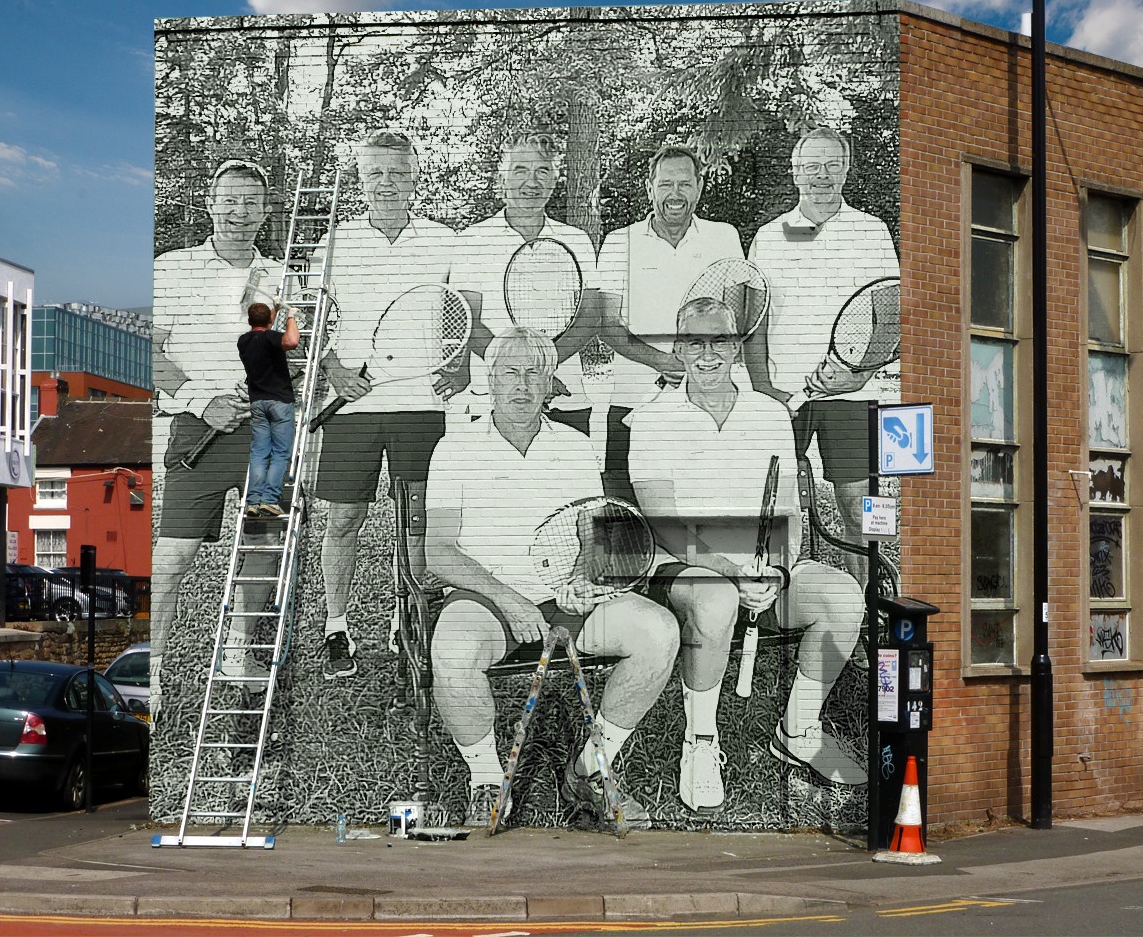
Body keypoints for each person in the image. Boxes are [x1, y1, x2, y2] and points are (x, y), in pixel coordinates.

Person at [426, 328, 679, 829]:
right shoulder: (455, 447)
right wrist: (509, 599)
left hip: (566, 596)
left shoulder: (575, 444)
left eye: (533, 374)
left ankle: (589, 768)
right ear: (490, 381)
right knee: (452, 653)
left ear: (550, 384)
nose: (521, 386)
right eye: (510, 374)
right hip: (488, 601)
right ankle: (485, 781)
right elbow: (438, 550)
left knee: (659, 632)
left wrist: (585, 580)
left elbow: (593, 532)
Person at [628, 298, 870, 814]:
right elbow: (665, 524)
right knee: (715, 603)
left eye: (720, 340)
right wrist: (731, 572)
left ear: (737, 347)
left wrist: (778, 570)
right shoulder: (650, 419)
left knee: (843, 598)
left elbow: (789, 512)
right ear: (679, 348)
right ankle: (700, 742)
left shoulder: (769, 414)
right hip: (685, 567)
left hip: (762, 568)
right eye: (695, 341)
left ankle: (799, 728)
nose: (708, 353)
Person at [315, 130, 462, 680]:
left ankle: (409, 619)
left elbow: (457, 314)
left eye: (397, 172)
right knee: (345, 518)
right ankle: (336, 626)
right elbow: (306, 322)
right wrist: (333, 370)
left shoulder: (445, 241)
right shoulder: (333, 244)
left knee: (417, 519)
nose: (386, 182)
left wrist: (454, 364)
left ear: (415, 176)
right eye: (375, 172)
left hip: (421, 404)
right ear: (360, 178)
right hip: (353, 405)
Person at [151, 158, 282, 707]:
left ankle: (236, 649)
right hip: (195, 430)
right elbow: (146, 351)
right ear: (210, 203)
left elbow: (287, 361)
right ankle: (149, 670)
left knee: (262, 542)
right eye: (229, 199)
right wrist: (201, 401)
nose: (239, 210)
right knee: (173, 556)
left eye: (250, 201)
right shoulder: (171, 268)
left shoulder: (280, 278)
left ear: (264, 211)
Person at [746, 127, 901, 588]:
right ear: (795, 173)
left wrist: (860, 375)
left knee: (865, 505)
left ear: (847, 169)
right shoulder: (770, 236)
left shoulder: (870, 230)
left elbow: (890, 315)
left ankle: (875, 603)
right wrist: (762, 390)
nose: (822, 175)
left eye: (833, 164)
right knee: (778, 505)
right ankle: (782, 606)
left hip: (856, 394)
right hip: (786, 394)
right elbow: (755, 322)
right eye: (811, 165)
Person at [594, 145, 744, 501]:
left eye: (684, 184)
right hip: (632, 401)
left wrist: (695, 365)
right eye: (665, 184)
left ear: (699, 186)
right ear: (649, 188)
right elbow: (608, 325)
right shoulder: (619, 242)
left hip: (709, 403)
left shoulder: (724, 237)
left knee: (704, 510)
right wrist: (664, 362)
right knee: (625, 522)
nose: (674, 194)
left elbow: (732, 322)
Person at [452, 133, 600, 434]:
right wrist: (527, 375)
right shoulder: (471, 241)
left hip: (566, 397)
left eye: (542, 171)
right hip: (491, 399)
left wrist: (543, 372)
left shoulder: (577, 241)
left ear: (554, 179)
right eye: (520, 171)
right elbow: (468, 323)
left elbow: (589, 318)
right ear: (502, 178)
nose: (531, 183)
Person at [237, 301, 300, 517]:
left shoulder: (244, 341)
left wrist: (276, 309)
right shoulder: (272, 339)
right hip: (279, 402)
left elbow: (264, 328)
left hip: (257, 403)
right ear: (270, 321)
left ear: (249, 321)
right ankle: (269, 500)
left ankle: (253, 501)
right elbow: (291, 341)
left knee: (259, 453)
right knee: (281, 453)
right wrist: (290, 315)